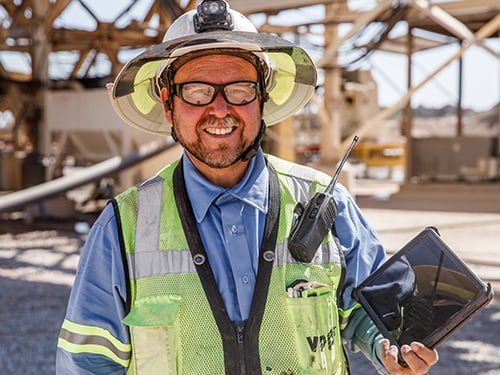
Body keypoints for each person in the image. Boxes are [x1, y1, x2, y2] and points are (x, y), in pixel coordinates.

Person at [56, 1, 439, 374]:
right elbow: (87, 363)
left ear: (262, 99)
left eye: (239, 90)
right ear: (168, 104)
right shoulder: (122, 227)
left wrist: (391, 350)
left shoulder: (327, 203)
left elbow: (369, 313)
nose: (220, 109)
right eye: (197, 91)